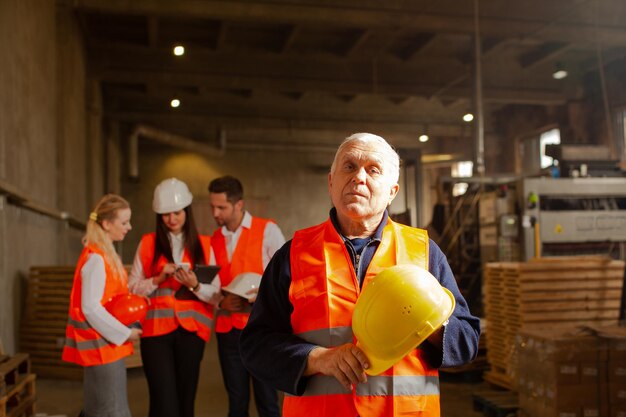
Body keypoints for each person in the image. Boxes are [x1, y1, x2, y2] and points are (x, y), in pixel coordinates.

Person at [239, 133, 481, 417]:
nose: (359, 178)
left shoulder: (424, 253)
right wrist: (316, 359)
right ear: (331, 182)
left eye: (373, 169)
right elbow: (255, 346)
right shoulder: (293, 255)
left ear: (392, 190)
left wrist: (424, 322)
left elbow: (466, 342)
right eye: (349, 167)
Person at [129, 178, 221, 417]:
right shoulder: (148, 243)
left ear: (186, 211)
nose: (172, 219)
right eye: (166, 214)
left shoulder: (204, 245)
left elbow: (216, 295)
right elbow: (132, 288)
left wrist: (195, 284)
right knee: (163, 401)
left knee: (185, 399)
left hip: (192, 332)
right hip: (155, 333)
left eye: (177, 212)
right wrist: (157, 279)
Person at [208, 175, 285, 417]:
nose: (215, 213)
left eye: (221, 207)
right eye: (212, 207)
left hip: (261, 329)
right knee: (237, 401)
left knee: (267, 401)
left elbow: (284, 275)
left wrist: (257, 298)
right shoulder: (215, 238)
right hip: (228, 333)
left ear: (239, 205)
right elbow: (211, 283)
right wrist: (221, 301)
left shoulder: (268, 230)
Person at [62, 194, 140, 417]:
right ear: (106, 224)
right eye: (124, 222)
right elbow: (91, 308)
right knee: (111, 410)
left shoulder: (103, 254)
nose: (129, 227)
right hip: (102, 349)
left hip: (104, 347)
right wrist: (124, 333)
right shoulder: (97, 259)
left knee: (99, 408)